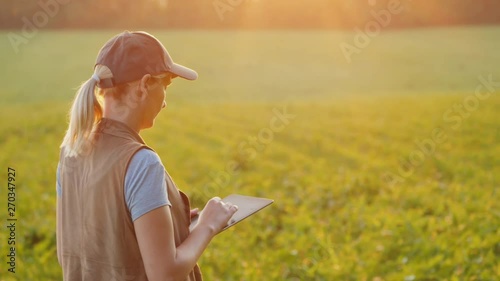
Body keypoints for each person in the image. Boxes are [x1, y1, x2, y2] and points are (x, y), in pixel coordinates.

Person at [56, 31, 238, 281]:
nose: (165, 102)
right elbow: (165, 274)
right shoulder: (141, 162)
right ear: (143, 86)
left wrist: (168, 221)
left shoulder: (71, 153)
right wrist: (208, 225)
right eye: (165, 85)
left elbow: (94, 243)